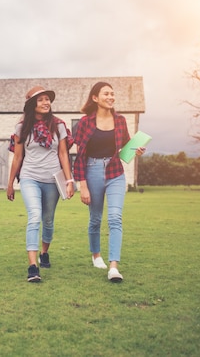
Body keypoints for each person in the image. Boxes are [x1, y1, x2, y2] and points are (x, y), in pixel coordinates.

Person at [72, 82, 145, 282]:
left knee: (115, 218)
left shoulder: (120, 121)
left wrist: (135, 150)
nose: (111, 97)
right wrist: (82, 185)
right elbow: (79, 156)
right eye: (106, 93)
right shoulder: (85, 122)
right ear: (95, 98)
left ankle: (114, 267)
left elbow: (123, 151)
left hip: (115, 173)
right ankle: (96, 255)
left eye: (113, 93)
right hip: (92, 170)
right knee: (95, 219)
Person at [7, 86, 74, 282]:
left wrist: (69, 181)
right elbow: (18, 157)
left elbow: (63, 154)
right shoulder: (21, 127)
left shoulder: (59, 125)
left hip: (53, 179)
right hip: (30, 177)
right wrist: (10, 182)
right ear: (31, 105)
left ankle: (44, 252)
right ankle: (33, 266)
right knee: (34, 216)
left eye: (47, 99)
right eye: (41, 100)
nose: (46, 102)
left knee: (48, 219)